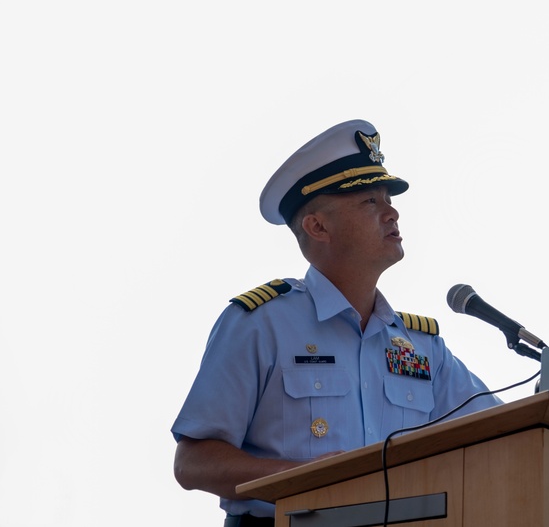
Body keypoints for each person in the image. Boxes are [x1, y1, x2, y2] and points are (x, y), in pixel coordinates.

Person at [171, 119, 501, 526]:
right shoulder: (261, 323)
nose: (392, 211)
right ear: (317, 226)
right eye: (370, 202)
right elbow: (192, 463)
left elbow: (500, 433)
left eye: (388, 198)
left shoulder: (423, 348)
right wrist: (301, 479)